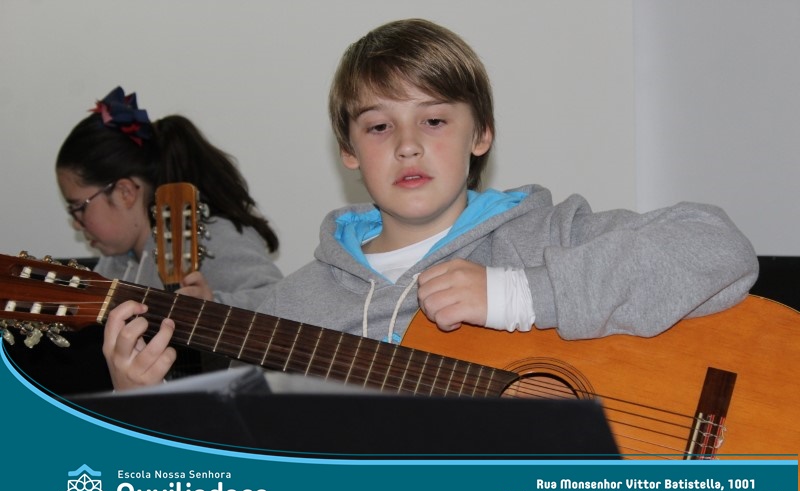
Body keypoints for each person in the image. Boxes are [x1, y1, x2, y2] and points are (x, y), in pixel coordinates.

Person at [102, 19, 758, 391]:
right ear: (349, 151)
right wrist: (139, 399)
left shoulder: (540, 236)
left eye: (435, 120)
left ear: (482, 135)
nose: (408, 145)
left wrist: (517, 295)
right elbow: (245, 481)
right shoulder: (291, 310)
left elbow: (718, 246)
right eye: (379, 126)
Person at [10, 87, 283, 392]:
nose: (76, 223)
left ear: (125, 192)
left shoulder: (208, 237)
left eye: (78, 207)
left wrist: (213, 308)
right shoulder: (114, 265)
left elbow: (281, 307)